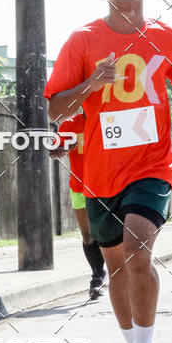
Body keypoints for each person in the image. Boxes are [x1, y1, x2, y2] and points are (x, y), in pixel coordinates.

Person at [45, 0, 172, 343]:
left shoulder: (168, 38)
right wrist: (92, 84)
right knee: (115, 265)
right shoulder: (82, 41)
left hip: (153, 164)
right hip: (99, 172)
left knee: (137, 248)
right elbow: (56, 107)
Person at [50, 112, 106, 300]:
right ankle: (97, 276)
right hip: (79, 186)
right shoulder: (70, 124)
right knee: (87, 235)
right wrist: (64, 148)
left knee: (106, 232)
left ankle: (110, 274)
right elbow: (53, 153)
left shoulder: (107, 118)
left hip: (106, 185)